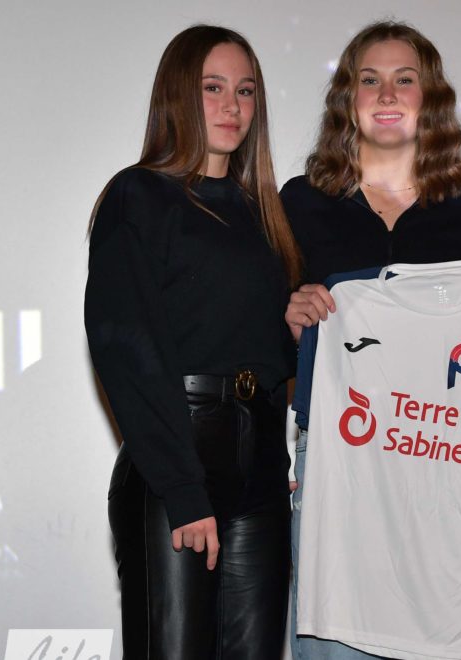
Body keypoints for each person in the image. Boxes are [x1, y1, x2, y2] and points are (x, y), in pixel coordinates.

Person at [281, 20, 461, 660]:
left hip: (436, 456)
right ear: (348, 97)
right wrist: (289, 318)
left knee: (437, 633)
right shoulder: (301, 204)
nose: (387, 94)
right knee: (335, 639)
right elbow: (272, 337)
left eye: (404, 79)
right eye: (370, 80)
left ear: (432, 100)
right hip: (340, 454)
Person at [84, 25, 301, 659]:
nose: (232, 106)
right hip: (177, 462)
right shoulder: (138, 195)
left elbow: (260, 351)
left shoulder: (265, 212)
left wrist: (297, 330)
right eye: (213, 88)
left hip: (261, 471)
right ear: (178, 94)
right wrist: (182, 489)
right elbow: (128, 349)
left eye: (245, 90)